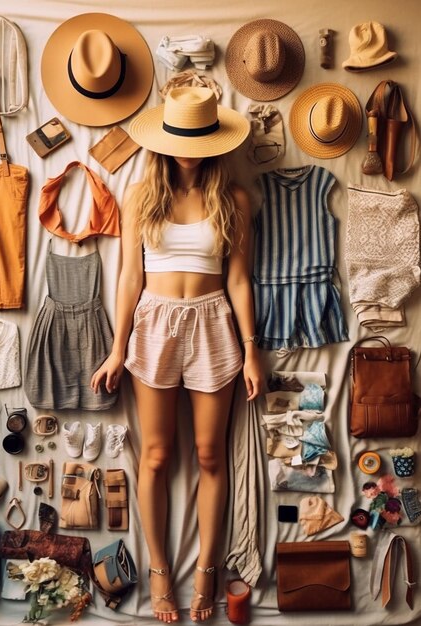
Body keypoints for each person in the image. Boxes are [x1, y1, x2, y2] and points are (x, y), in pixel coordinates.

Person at [91, 87, 262, 624]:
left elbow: (238, 278)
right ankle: (161, 573)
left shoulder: (234, 198)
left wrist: (252, 350)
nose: (189, 148)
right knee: (157, 458)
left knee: (211, 457)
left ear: (214, 140)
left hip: (214, 323)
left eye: (199, 137)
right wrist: (117, 349)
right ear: (164, 140)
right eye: (180, 137)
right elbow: (128, 278)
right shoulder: (140, 194)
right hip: (155, 325)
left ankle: (207, 571)